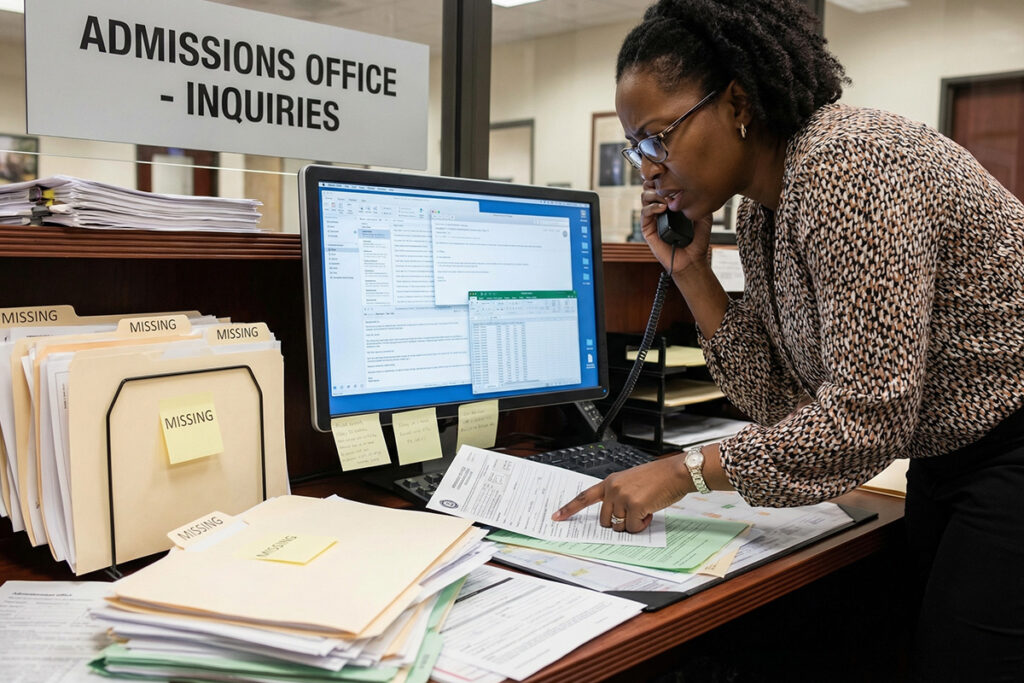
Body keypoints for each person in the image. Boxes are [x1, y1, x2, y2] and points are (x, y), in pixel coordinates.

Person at [550, 0, 1024, 679]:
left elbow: (866, 418)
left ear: (737, 100)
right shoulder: (760, 215)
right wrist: (690, 274)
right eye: (637, 149)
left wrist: (684, 471)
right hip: (949, 450)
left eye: (658, 138)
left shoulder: (847, 163)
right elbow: (783, 402)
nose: (647, 169)